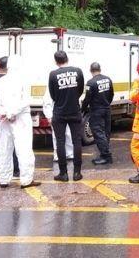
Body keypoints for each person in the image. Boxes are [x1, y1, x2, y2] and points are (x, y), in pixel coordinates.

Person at [0, 55, 39, 189]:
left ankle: (4, 179)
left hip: (4, 120)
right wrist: (12, 113)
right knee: (24, 149)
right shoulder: (23, 81)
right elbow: (26, 100)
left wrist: (3, 113)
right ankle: (26, 180)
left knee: (4, 148)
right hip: (20, 118)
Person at [46, 50, 84, 182]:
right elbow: (80, 90)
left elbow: (53, 95)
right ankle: (77, 173)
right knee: (76, 141)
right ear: (67, 58)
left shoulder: (53, 74)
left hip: (59, 112)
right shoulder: (78, 71)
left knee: (60, 142)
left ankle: (63, 173)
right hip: (75, 111)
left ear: (56, 61)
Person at [81, 62, 114, 165]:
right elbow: (111, 94)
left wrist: (83, 108)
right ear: (100, 69)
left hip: (96, 111)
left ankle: (106, 156)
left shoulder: (91, 82)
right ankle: (104, 153)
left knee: (98, 133)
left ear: (91, 71)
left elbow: (87, 98)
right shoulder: (108, 79)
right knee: (106, 132)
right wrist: (107, 103)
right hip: (107, 109)